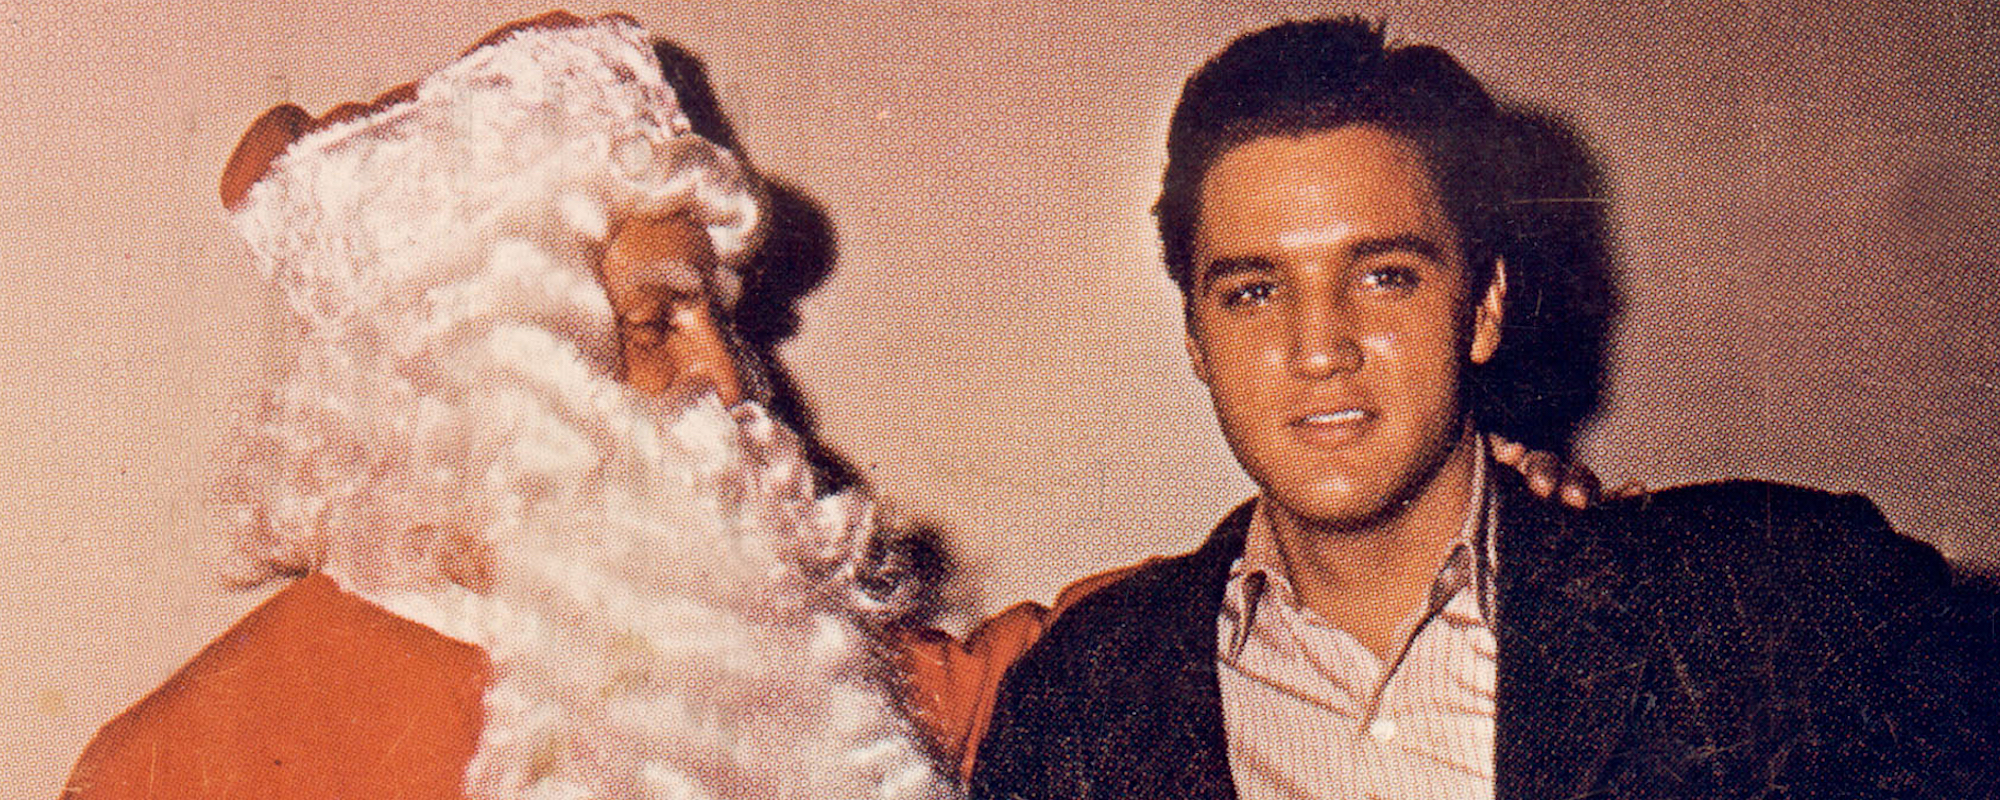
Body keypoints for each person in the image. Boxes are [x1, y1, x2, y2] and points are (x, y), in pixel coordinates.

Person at [966, 17, 1997, 800]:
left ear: (1486, 305)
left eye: (1383, 276)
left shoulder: (1787, 608)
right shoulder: (1078, 707)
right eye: (1253, 291)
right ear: (1195, 336)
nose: (1318, 348)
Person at [62, 13, 948, 800]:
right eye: (653, 325)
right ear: (467, 394)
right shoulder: (184, 767)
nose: (729, 382)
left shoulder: (797, 655)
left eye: (720, 318)